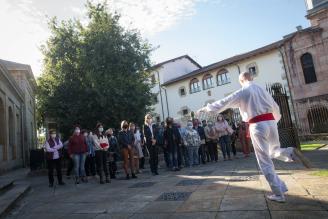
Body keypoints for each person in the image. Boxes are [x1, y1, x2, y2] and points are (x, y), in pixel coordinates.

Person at [197, 71, 302, 203]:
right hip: (271, 122)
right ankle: (288, 152)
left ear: (241, 81)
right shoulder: (262, 90)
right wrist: (273, 122)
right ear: (252, 78)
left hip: (257, 125)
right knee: (273, 151)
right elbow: (276, 107)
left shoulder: (244, 91)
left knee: (264, 161)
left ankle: (278, 194)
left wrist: (206, 109)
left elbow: (225, 102)